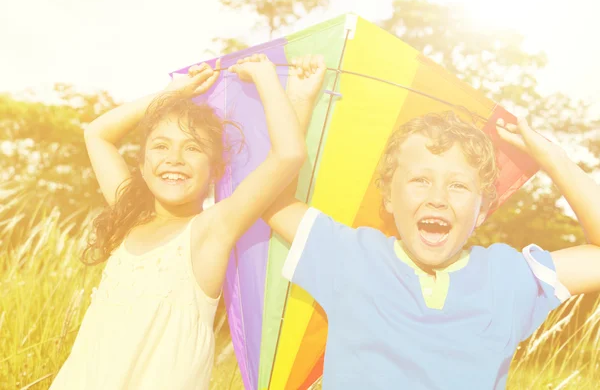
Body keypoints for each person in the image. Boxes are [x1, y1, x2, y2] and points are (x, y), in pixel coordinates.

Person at [264, 55, 600, 389]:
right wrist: (298, 99)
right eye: (420, 180)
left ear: (482, 210)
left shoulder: (508, 277)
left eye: (458, 185)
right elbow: (271, 199)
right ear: (389, 198)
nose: (437, 198)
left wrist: (553, 158)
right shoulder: (350, 256)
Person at [50, 54, 307, 390]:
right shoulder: (130, 218)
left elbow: (288, 154)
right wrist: (171, 94)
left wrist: (265, 76)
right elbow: (97, 134)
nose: (174, 158)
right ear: (141, 166)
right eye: (160, 146)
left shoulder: (210, 231)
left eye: (193, 148)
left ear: (215, 171)